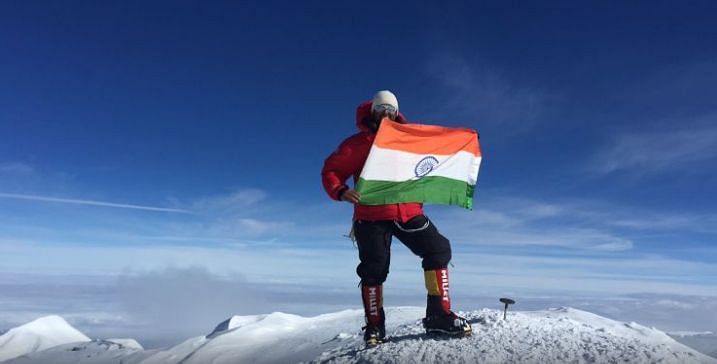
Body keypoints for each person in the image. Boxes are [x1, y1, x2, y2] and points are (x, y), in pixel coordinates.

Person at [321, 90, 472, 347]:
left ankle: (438, 316)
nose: (386, 113)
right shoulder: (357, 144)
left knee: (438, 250)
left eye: (391, 109)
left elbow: (436, 151)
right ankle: (374, 327)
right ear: (373, 112)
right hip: (370, 216)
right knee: (374, 270)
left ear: (396, 112)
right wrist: (341, 191)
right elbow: (332, 170)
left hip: (408, 212)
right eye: (381, 109)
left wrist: (463, 141)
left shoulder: (411, 140)